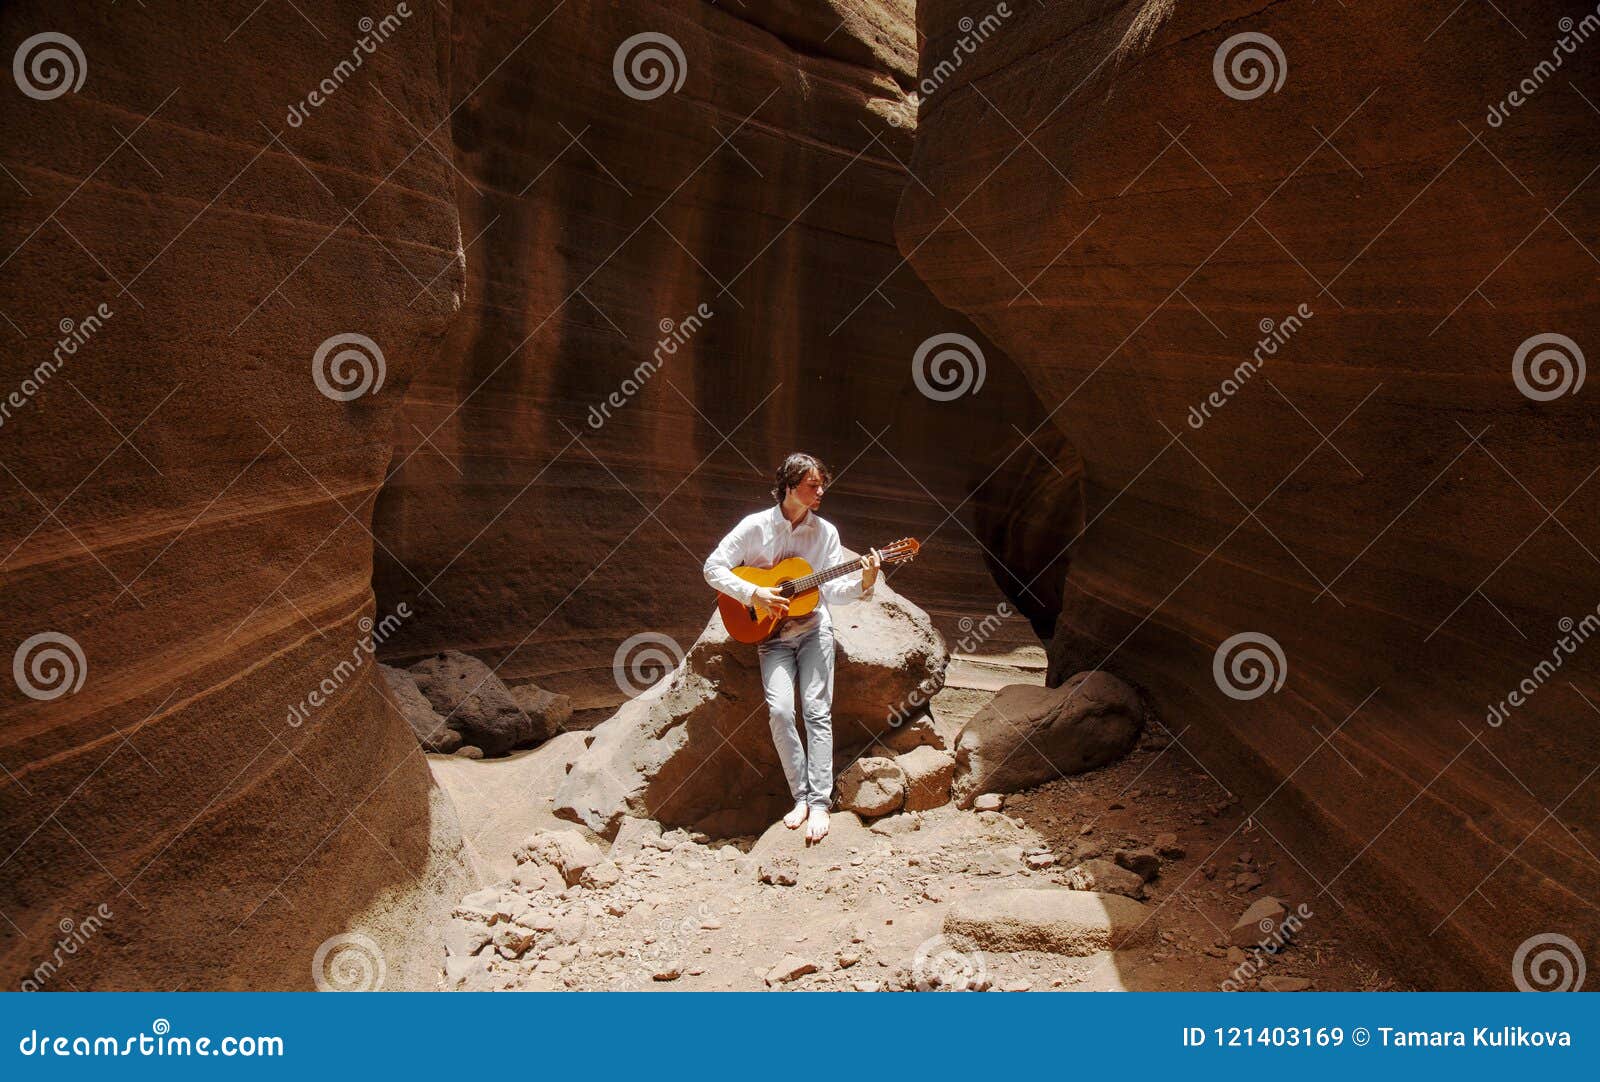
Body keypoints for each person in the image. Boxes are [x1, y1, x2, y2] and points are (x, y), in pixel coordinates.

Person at [703, 453, 882, 843]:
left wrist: (865, 580)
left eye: (822, 486)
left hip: (814, 629)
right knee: (782, 711)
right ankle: (799, 796)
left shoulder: (826, 533)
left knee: (817, 712)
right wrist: (755, 593)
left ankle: (819, 802)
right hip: (769, 636)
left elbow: (832, 589)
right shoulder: (755, 526)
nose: (820, 492)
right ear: (789, 485)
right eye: (812, 485)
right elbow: (712, 568)